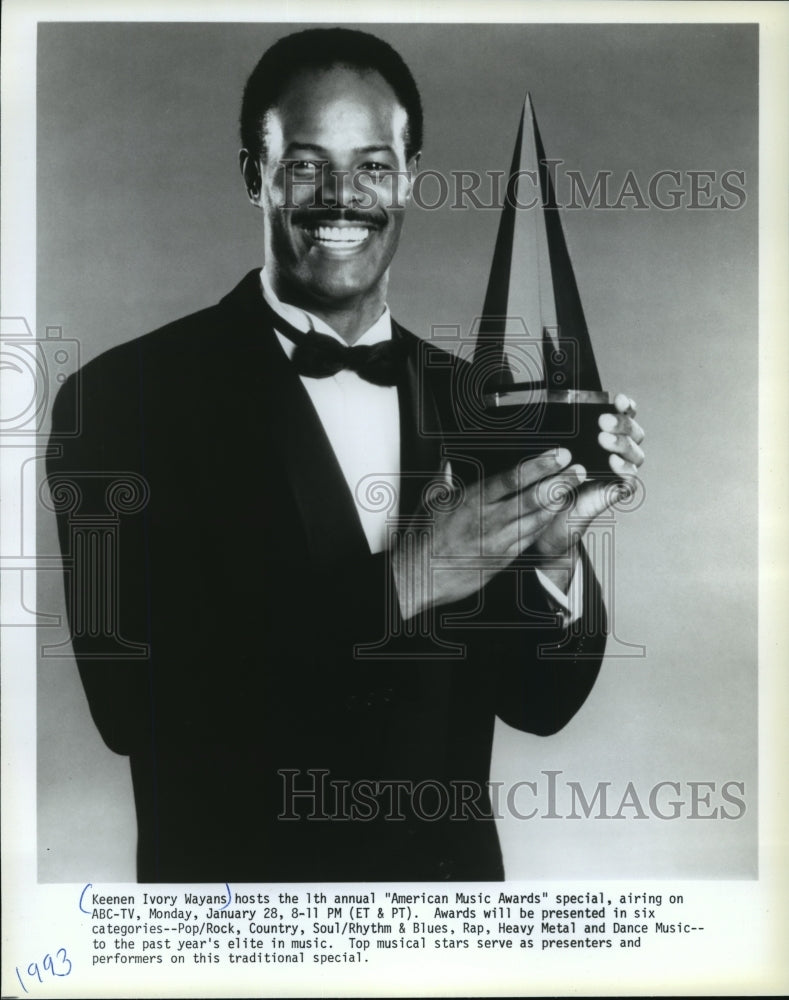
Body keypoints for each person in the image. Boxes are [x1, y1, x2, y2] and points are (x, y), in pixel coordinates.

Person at [47, 27, 645, 882]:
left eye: (371, 165)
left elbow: (538, 704)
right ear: (255, 176)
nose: (341, 198)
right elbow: (130, 709)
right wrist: (410, 577)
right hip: (239, 932)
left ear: (409, 180)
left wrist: (550, 557)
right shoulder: (120, 401)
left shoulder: (472, 403)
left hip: (446, 930)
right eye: (304, 165)